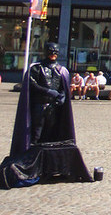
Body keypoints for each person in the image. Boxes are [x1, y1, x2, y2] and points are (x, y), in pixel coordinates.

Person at [1, 43, 93, 187]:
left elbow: (63, 87)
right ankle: (31, 167)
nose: (53, 53)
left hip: (54, 108)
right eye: (51, 51)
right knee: (36, 137)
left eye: (55, 51)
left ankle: (47, 167)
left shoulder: (62, 70)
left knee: (50, 137)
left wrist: (63, 96)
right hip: (40, 106)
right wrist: (49, 92)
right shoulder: (36, 68)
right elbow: (32, 84)